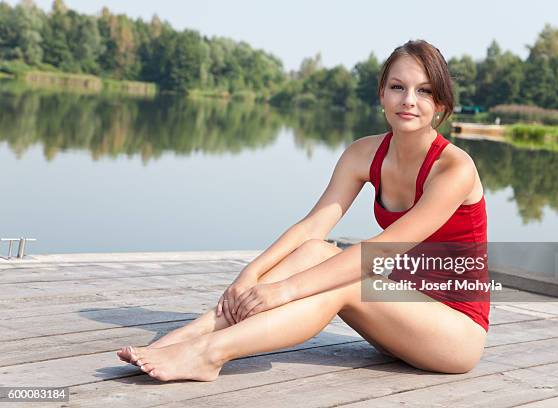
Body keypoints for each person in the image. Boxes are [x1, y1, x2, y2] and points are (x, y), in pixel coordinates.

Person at [117, 39, 490, 382]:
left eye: (424, 91)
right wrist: (252, 274)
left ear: (440, 104)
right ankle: (185, 337)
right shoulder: (363, 153)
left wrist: (283, 290)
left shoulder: (453, 170)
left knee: (344, 283)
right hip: (398, 317)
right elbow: (313, 226)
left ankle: (209, 354)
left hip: (455, 333)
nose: (409, 99)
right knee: (315, 252)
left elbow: (383, 251)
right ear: (381, 94)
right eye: (398, 87)